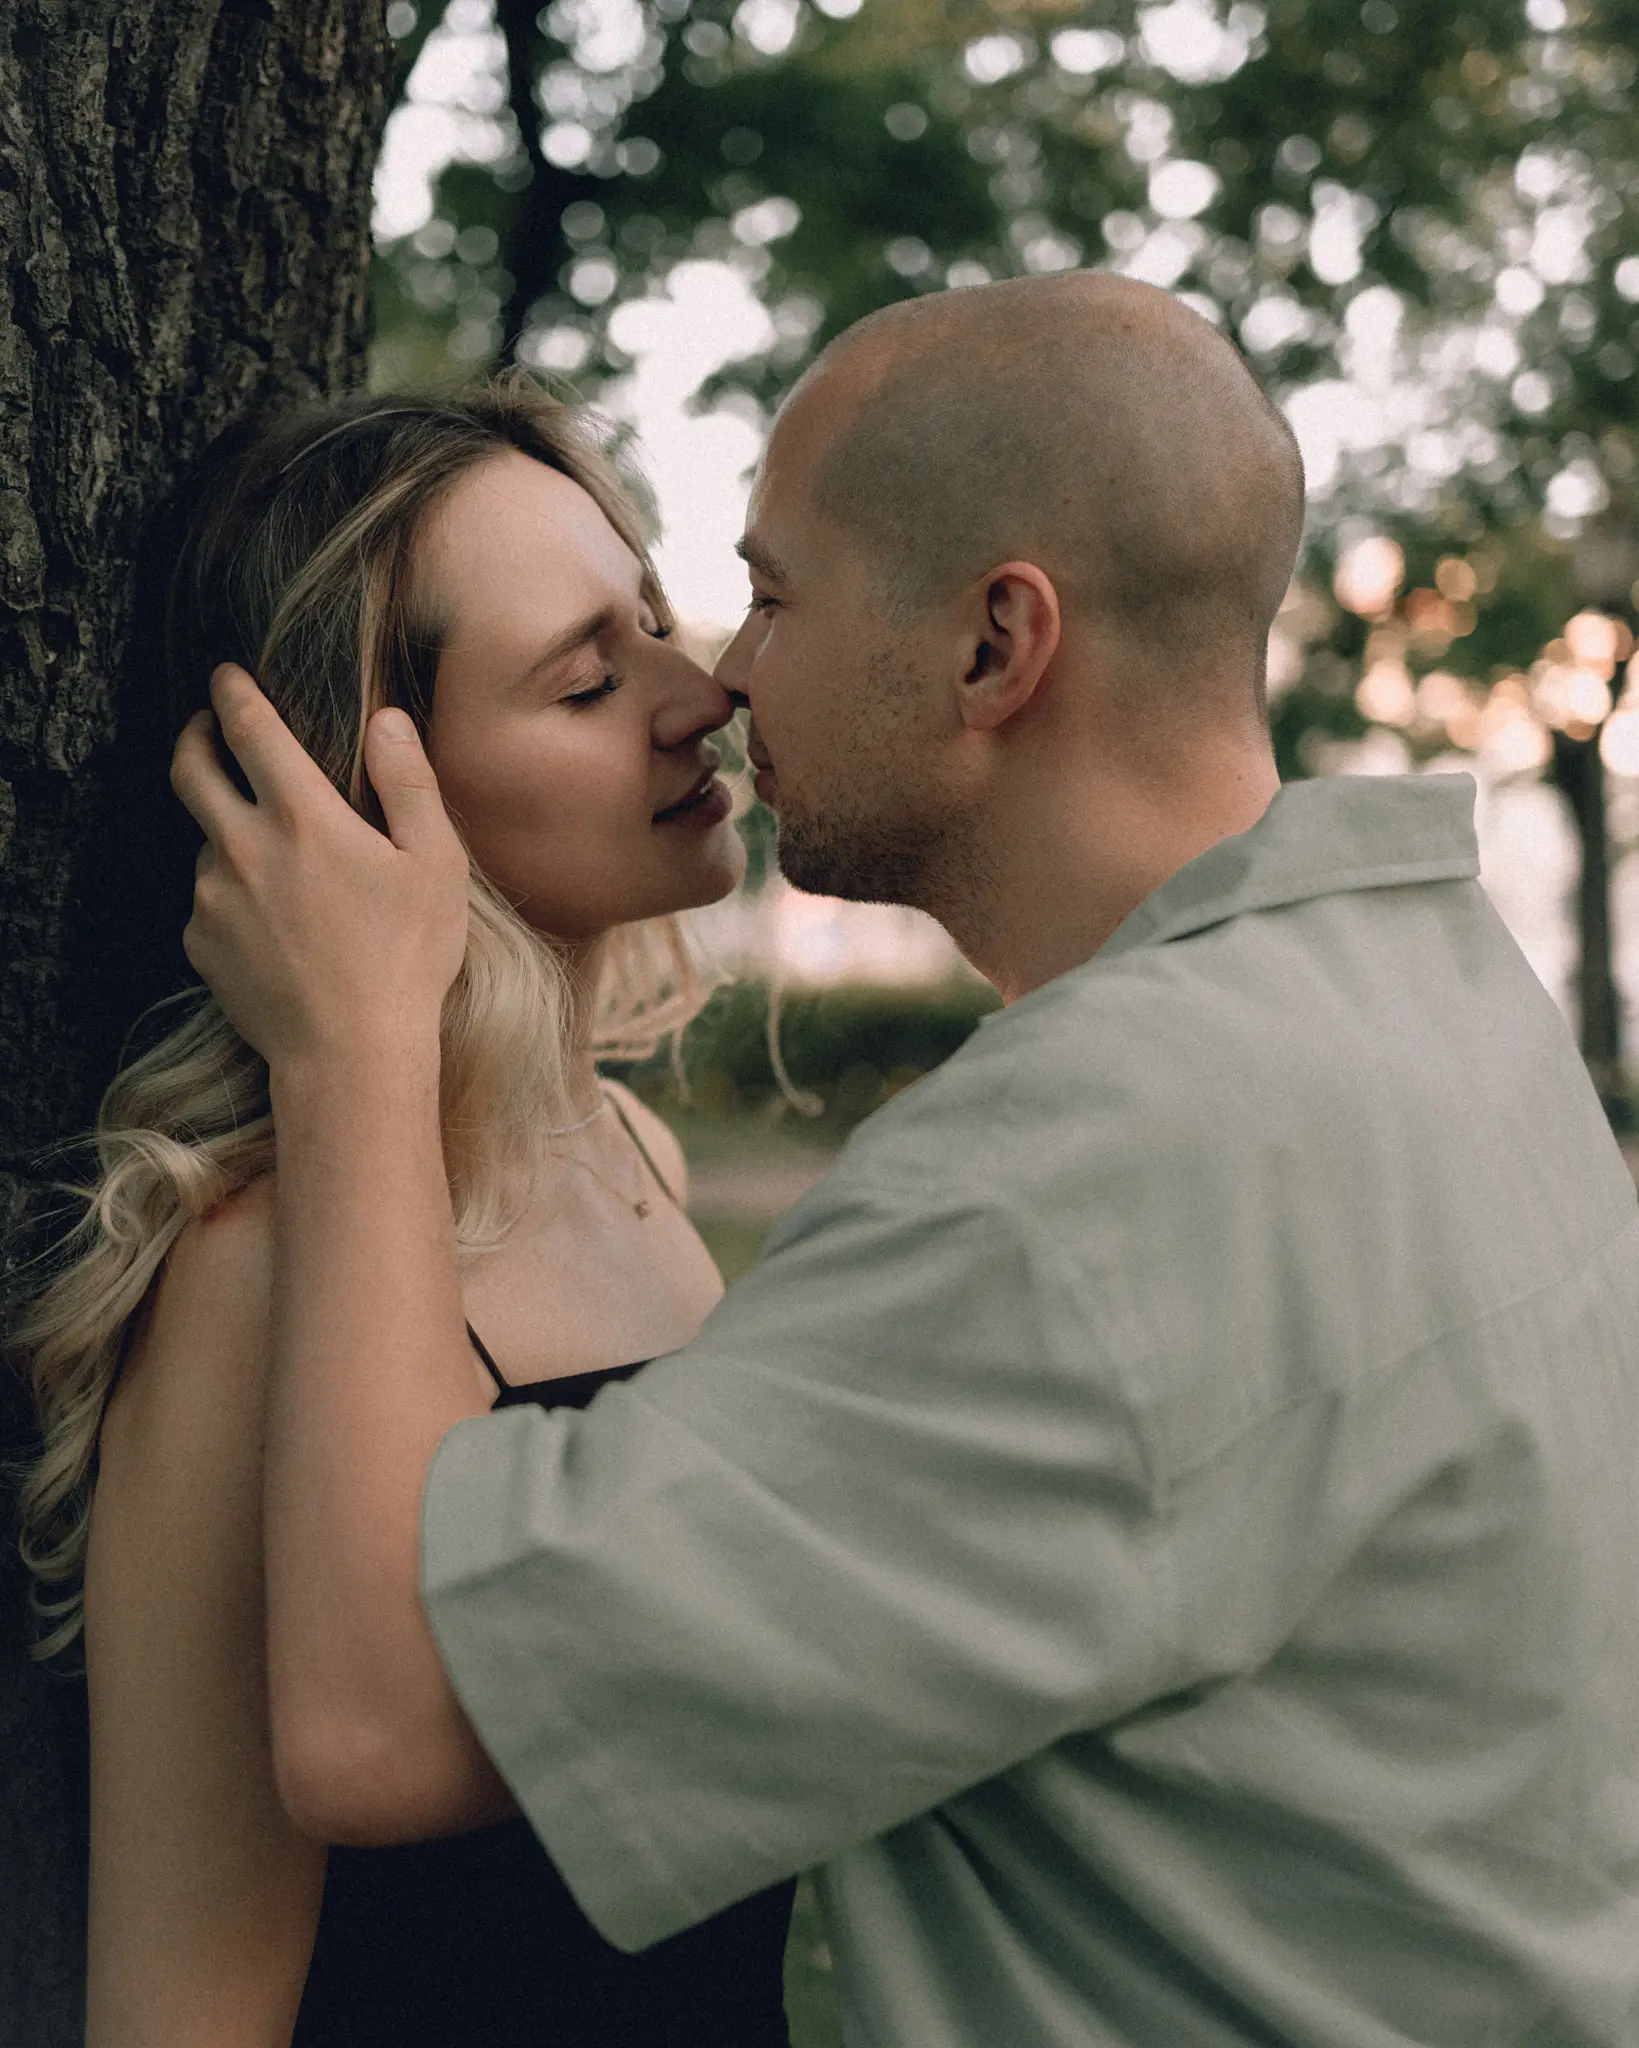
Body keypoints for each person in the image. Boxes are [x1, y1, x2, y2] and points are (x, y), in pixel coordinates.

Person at [171, 273, 1639, 2046]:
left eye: (767, 598)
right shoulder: (1441, 999)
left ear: (993, 647)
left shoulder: (1067, 1182)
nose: (715, 676)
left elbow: (383, 1720)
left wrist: (354, 1051)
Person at [16, 384, 797, 2047]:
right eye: (587, 679)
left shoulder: (634, 1156)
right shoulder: (250, 1269)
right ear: (367, 805)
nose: (701, 696)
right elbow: (185, 2005)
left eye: (652, 620)